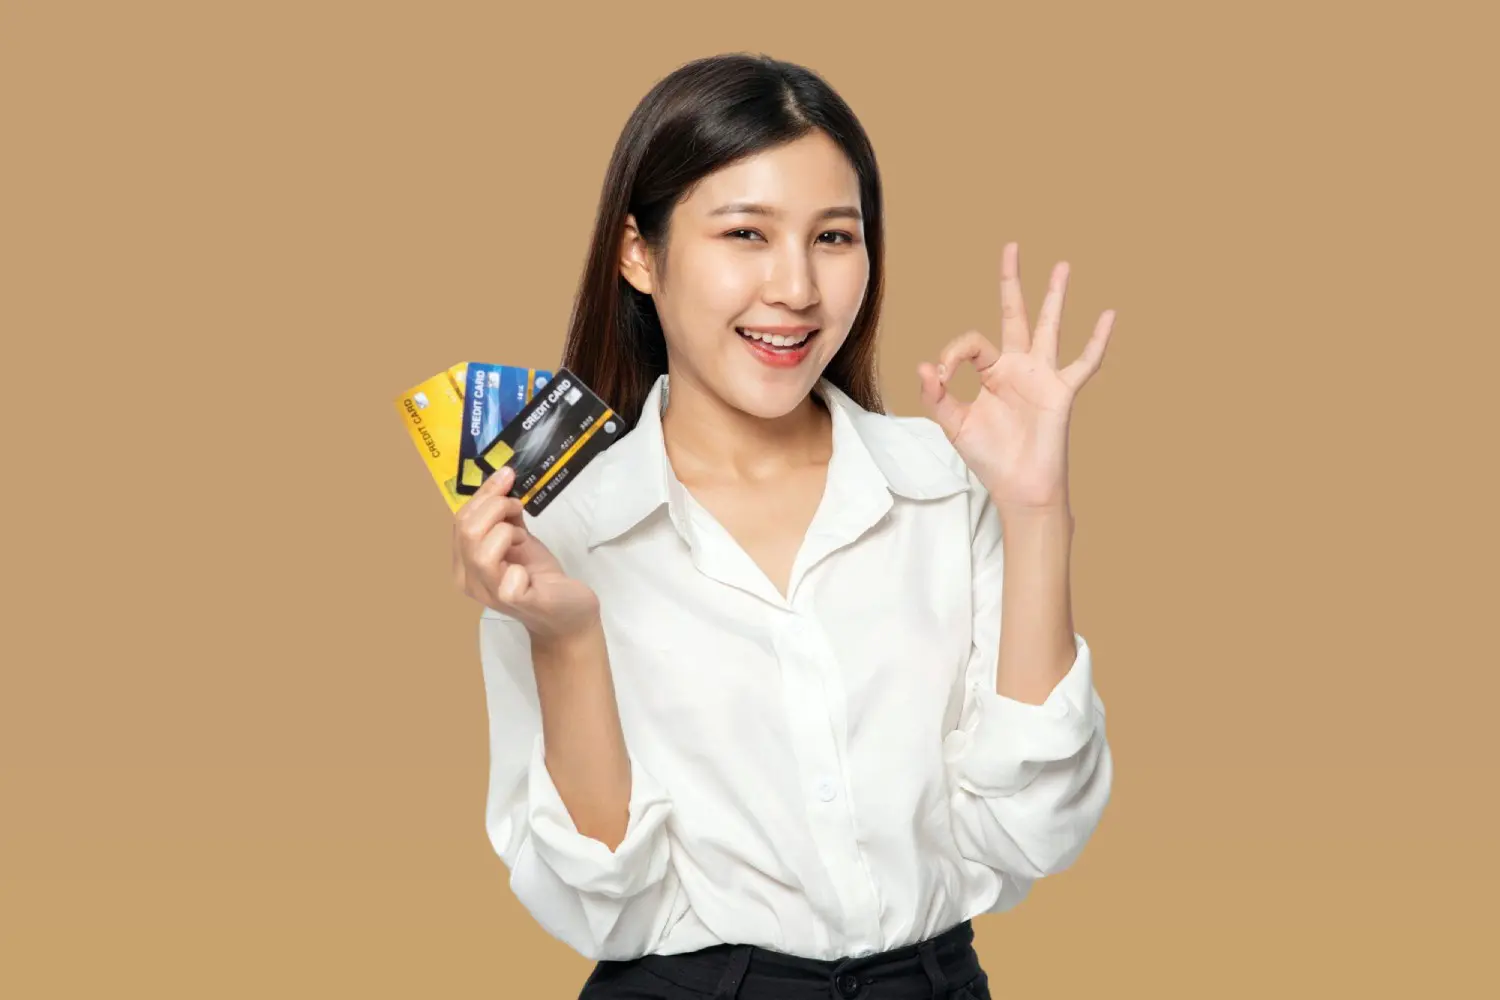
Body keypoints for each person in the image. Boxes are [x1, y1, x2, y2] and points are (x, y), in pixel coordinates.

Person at [451, 52, 1116, 1000]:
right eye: (745, 234)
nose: (797, 288)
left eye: (834, 237)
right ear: (640, 254)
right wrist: (565, 639)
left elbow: (1034, 831)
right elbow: (606, 909)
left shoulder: (940, 486)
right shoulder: (551, 537)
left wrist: (1036, 512)